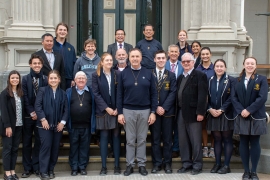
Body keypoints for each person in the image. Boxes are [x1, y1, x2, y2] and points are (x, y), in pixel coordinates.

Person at [117, 48, 158, 176]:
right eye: (132, 56)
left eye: (137, 56)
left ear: (141, 58)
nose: (135, 59)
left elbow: (154, 94)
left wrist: (153, 112)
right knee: (130, 140)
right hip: (128, 110)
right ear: (129, 58)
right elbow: (119, 95)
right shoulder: (123, 74)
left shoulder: (148, 73)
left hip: (145, 111)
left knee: (141, 139)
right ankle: (129, 165)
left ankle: (141, 164)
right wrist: (120, 113)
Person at [231, 57, 268, 180]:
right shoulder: (237, 80)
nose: (250, 65)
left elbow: (262, 98)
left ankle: (254, 171)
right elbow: (233, 98)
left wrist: (249, 110)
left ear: (256, 66)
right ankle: (246, 171)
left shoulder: (261, 79)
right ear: (244, 65)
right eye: (248, 63)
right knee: (243, 142)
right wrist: (242, 110)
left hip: (256, 116)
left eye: (252, 63)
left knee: (255, 142)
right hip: (242, 115)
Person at [176, 52, 208, 175]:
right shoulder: (180, 77)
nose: (186, 63)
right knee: (183, 140)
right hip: (181, 112)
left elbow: (202, 95)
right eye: (183, 62)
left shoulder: (200, 75)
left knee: (195, 140)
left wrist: (200, 112)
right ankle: (186, 163)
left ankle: (197, 164)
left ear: (193, 62)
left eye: (188, 61)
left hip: (194, 114)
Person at [35, 70, 68, 180]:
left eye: (55, 78)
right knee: (46, 147)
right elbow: (38, 106)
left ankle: (50, 170)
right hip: (45, 126)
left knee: (55, 148)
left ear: (59, 79)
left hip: (58, 126)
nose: (53, 80)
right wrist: (43, 119)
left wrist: (62, 123)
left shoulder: (63, 93)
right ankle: (43, 171)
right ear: (48, 80)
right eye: (51, 78)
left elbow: (66, 110)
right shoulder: (42, 90)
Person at [92, 53, 121, 175]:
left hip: (116, 111)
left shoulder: (117, 74)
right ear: (102, 62)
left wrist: (118, 109)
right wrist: (106, 108)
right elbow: (96, 94)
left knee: (116, 137)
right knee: (104, 138)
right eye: (107, 60)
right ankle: (103, 166)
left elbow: (121, 92)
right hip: (103, 111)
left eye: (111, 60)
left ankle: (117, 166)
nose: (109, 62)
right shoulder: (96, 75)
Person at [207, 59, 236, 174]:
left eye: (221, 66)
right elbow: (205, 97)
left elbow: (232, 97)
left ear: (225, 68)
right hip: (213, 113)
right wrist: (209, 109)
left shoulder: (231, 80)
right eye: (217, 66)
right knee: (217, 139)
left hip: (226, 114)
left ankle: (227, 165)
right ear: (214, 68)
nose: (219, 68)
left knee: (227, 139)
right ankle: (217, 163)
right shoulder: (209, 80)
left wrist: (222, 109)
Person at [21, 54, 48, 178]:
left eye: (39, 63)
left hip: (41, 116)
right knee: (26, 142)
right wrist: (32, 111)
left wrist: (39, 113)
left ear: (42, 65)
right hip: (28, 116)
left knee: (38, 142)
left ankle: (36, 166)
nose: (37, 65)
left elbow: (46, 99)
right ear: (30, 65)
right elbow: (24, 97)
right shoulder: (25, 79)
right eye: (34, 63)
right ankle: (27, 168)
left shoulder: (46, 79)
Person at [150, 50, 176, 174]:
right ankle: (156, 163)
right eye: (158, 58)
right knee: (155, 139)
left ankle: (167, 164)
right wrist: (155, 108)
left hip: (167, 113)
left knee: (167, 140)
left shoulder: (171, 75)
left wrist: (164, 107)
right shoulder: (149, 74)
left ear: (166, 60)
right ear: (154, 59)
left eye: (162, 58)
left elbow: (173, 93)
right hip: (153, 113)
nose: (160, 60)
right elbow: (148, 93)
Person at [66, 71, 95, 176]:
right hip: (73, 125)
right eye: (79, 78)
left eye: (83, 78)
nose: (81, 80)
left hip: (86, 125)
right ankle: (74, 167)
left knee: (84, 147)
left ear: (86, 81)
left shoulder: (91, 92)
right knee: (73, 147)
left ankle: (82, 167)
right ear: (75, 80)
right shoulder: (69, 91)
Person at [0, 70, 24, 180]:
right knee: (7, 149)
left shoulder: (21, 93)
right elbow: (4, 112)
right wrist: (7, 126)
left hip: (19, 125)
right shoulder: (4, 94)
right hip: (8, 127)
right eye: (13, 78)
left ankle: (13, 170)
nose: (15, 80)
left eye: (17, 78)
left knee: (15, 149)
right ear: (9, 79)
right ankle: (7, 172)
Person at [196, 47, 215, 158]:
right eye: (203, 54)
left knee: (213, 126)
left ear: (210, 55)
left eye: (207, 54)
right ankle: (205, 147)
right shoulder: (197, 69)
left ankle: (212, 148)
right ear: (200, 56)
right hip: (202, 101)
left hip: (214, 101)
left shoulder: (215, 68)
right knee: (203, 125)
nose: (205, 56)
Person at [165, 44, 184, 158]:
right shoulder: (163, 64)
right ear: (168, 53)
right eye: (171, 51)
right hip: (166, 100)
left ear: (178, 53)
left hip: (180, 100)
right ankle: (166, 147)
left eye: (176, 51)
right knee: (167, 127)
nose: (173, 53)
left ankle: (176, 148)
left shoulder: (183, 65)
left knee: (178, 125)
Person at [53, 22, 77, 89]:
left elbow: (74, 64)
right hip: (54, 78)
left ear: (67, 32)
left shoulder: (71, 48)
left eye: (64, 30)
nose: (62, 32)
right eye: (60, 30)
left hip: (68, 78)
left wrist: (73, 78)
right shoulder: (51, 46)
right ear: (56, 31)